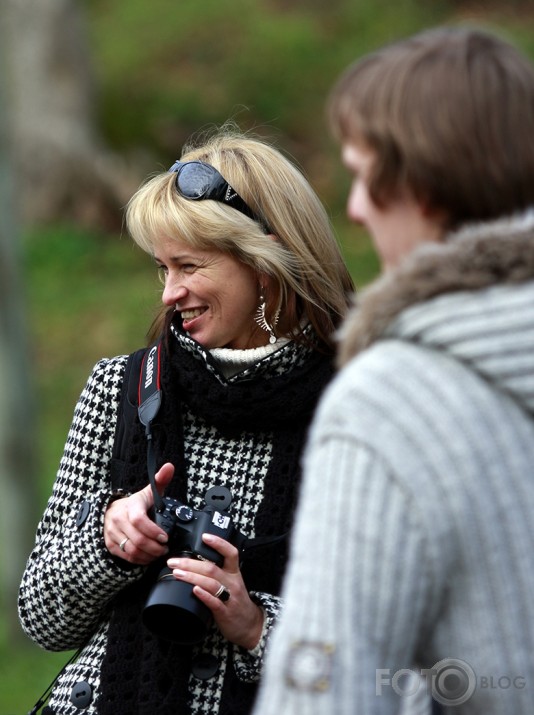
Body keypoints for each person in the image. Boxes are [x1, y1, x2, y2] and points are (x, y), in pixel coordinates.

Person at [18, 126, 354, 715]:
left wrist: (255, 624)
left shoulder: (351, 414)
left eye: (189, 266)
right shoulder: (121, 389)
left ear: (266, 263)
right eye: (161, 268)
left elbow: (387, 651)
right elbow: (41, 619)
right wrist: (109, 542)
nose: (170, 292)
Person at [253, 26, 534, 715]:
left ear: (421, 185)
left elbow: (323, 692)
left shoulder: (390, 402)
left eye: (359, 171)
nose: (351, 205)